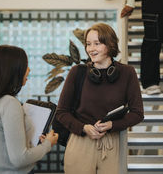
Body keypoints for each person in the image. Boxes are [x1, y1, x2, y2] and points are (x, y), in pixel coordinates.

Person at [56, 23, 144, 174]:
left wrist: (111, 124)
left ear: (110, 45)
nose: (91, 49)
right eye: (88, 44)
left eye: (97, 43)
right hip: (80, 142)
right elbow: (61, 112)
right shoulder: (77, 72)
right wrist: (84, 128)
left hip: (112, 143)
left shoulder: (127, 73)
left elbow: (137, 113)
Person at [0, 45, 58, 174]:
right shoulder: (10, 104)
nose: (28, 69)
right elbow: (19, 159)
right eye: (25, 65)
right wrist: (48, 144)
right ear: (13, 70)